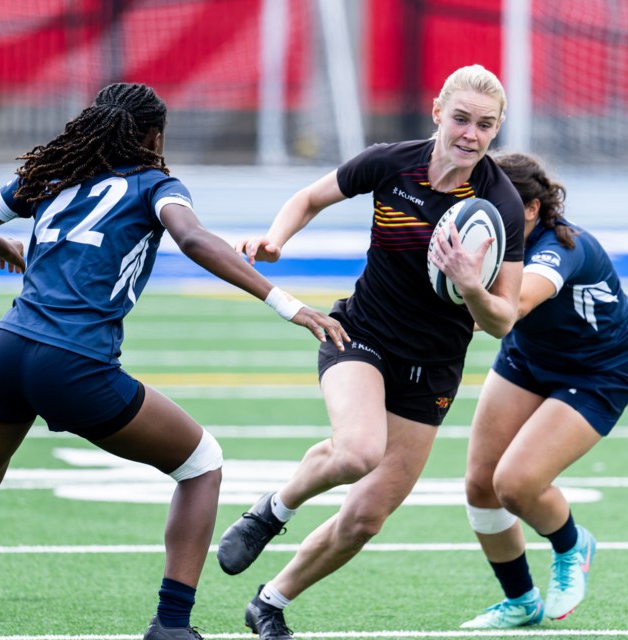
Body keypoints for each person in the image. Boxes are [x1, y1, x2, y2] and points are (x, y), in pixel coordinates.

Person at [0, 82, 348, 640]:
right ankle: (171, 624)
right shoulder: (155, 184)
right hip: (73, 363)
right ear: (153, 136)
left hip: (5, 350)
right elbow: (192, 240)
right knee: (201, 465)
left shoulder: (50, 173)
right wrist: (286, 303)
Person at [215, 64, 525, 639]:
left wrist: (472, 284)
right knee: (358, 451)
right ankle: (271, 511)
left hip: (432, 368)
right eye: (460, 119)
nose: (470, 135)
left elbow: (502, 320)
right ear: (437, 112)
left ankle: (270, 603)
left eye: (485, 126)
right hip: (361, 337)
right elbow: (311, 196)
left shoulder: (497, 204)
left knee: (365, 517)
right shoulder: (391, 162)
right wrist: (275, 239)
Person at [460, 151, 628, 629]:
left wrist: (464, 285)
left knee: (515, 484)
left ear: (531, 209)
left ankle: (571, 545)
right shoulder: (490, 237)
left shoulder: (561, 247)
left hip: (599, 370)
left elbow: (515, 304)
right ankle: (521, 601)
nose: (485, 212)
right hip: (529, 358)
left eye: (498, 202)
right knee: (481, 485)